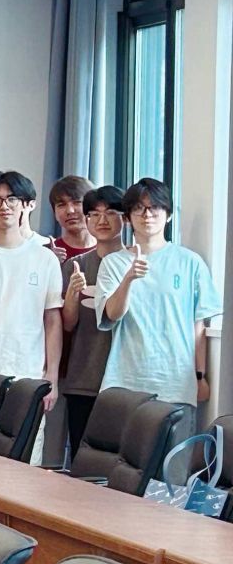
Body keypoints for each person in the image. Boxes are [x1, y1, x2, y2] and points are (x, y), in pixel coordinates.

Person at [97, 177, 220, 418]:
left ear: (169, 215)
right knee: (119, 444)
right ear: (127, 218)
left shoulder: (190, 262)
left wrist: (200, 375)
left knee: (178, 444)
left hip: (177, 384)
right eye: (138, 208)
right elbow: (112, 314)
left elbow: (198, 326)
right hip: (125, 381)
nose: (147, 215)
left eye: (155, 207)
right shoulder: (113, 263)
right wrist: (128, 279)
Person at [0, 171, 63, 439]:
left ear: (25, 204)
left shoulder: (45, 259)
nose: (4, 206)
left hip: (29, 375)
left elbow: (52, 320)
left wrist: (51, 376)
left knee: (25, 455)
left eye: (12, 199)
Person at [57, 185, 126, 454]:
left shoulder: (136, 264)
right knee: (81, 459)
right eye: (94, 214)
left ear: (125, 218)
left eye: (111, 213)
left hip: (125, 380)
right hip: (84, 377)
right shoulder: (76, 265)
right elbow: (68, 324)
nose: (102, 220)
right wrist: (73, 293)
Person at [48, 175, 98, 262]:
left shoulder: (108, 252)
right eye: (61, 205)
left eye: (77, 202)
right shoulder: (45, 254)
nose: (70, 211)